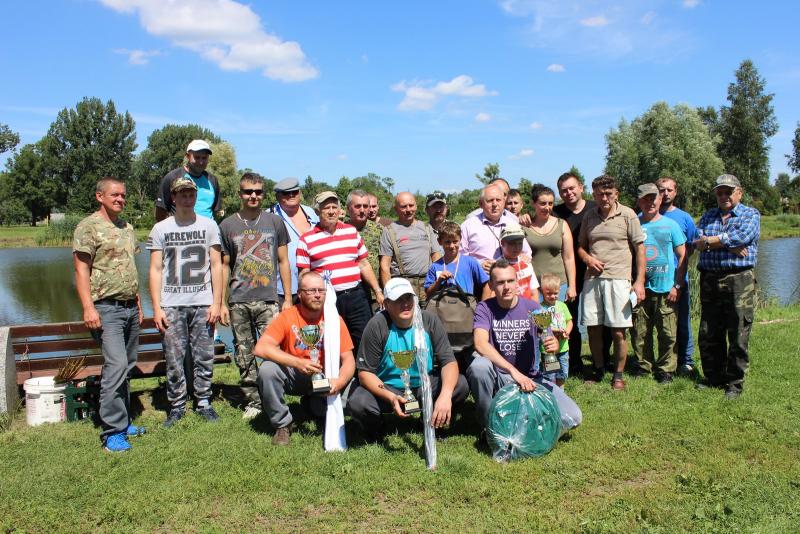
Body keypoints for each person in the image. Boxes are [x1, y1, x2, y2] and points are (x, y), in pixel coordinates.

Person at [465, 260, 582, 433]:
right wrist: (513, 372)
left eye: (510, 281)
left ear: (517, 282)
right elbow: (480, 343)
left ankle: (524, 420)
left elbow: (547, 339)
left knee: (574, 417)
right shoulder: (485, 308)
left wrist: (553, 344)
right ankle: (488, 425)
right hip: (501, 378)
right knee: (479, 366)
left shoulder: (533, 308)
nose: (506, 286)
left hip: (531, 379)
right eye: (500, 282)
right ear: (491, 285)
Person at [348, 278, 469, 442]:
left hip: (423, 386)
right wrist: (391, 397)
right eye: (398, 300)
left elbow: (449, 362)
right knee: (358, 401)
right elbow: (365, 373)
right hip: (388, 388)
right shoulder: (377, 325)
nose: (405, 304)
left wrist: (445, 395)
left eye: (408, 298)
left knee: (459, 385)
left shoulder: (429, 320)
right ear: (387, 303)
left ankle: (430, 421)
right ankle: (376, 428)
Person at [73, 177, 143, 452]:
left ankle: (124, 422)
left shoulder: (127, 227)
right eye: (115, 195)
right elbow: (81, 270)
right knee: (115, 366)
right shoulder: (88, 227)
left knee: (126, 366)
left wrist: (137, 301)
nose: (120, 199)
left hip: (129, 307)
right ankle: (112, 432)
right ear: (99, 196)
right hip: (105, 308)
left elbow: (128, 266)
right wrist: (88, 307)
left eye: (123, 195)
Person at [148, 177, 224, 426]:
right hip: (172, 303)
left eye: (191, 194)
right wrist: (157, 307)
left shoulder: (209, 225)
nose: (187, 199)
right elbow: (156, 269)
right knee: (173, 356)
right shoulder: (161, 229)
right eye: (182, 194)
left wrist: (216, 302)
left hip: (202, 301)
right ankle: (177, 404)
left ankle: (203, 401)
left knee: (204, 355)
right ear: (173, 198)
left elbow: (216, 265)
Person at [219, 172, 292, 420]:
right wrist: (221, 302)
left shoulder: (274, 222)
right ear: (240, 194)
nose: (253, 196)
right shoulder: (228, 225)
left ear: (263, 194)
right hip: (239, 299)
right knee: (244, 352)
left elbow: (283, 261)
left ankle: (275, 396)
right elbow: (224, 265)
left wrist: (289, 298)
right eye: (248, 191)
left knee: (274, 350)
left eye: (258, 192)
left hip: (269, 298)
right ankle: (254, 400)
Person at [252, 271, 355, 445]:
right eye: (311, 291)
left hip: (326, 376)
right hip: (296, 374)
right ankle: (283, 424)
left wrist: (340, 381)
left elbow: (349, 360)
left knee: (355, 399)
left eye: (321, 291)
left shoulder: (334, 319)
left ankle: (312, 405)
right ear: (299, 293)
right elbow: (261, 348)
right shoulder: (287, 316)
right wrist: (297, 362)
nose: (317, 295)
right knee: (267, 370)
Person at [693, 174, 760, 400]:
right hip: (709, 279)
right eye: (720, 192)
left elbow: (742, 235)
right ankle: (713, 378)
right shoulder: (709, 215)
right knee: (709, 330)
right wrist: (726, 243)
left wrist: (711, 242)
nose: (724, 196)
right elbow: (697, 239)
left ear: (739, 192)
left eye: (728, 192)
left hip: (739, 279)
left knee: (738, 330)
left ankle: (734, 383)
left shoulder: (750, 214)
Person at [577, 175, 645, 390]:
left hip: (619, 279)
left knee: (618, 331)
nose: (604, 198)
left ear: (616, 194)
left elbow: (640, 249)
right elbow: (580, 246)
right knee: (594, 328)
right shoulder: (589, 216)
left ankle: (618, 375)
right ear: (593, 194)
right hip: (593, 280)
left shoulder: (628, 215)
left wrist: (639, 281)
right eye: (599, 194)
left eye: (608, 194)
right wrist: (588, 258)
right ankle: (598, 370)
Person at [297, 191, 384, 353]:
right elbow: (304, 274)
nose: (331, 211)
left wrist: (378, 291)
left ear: (339, 210)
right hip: (327, 300)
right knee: (332, 343)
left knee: (363, 340)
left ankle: (362, 377)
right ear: (317, 211)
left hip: (357, 297)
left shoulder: (351, 232)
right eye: (326, 208)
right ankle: (337, 377)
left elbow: (364, 264)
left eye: (334, 207)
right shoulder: (306, 239)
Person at [629, 184, 687, 384]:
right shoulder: (633, 223)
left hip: (666, 288)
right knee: (640, 332)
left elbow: (682, 256)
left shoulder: (671, 225)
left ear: (660, 199)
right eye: (645, 198)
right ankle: (643, 367)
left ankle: (665, 370)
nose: (650, 202)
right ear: (639, 201)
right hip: (640, 288)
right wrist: (632, 283)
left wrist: (677, 285)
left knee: (668, 333)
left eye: (654, 198)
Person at [656, 176, 699, 377]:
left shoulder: (684, 218)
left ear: (675, 192)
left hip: (677, 279)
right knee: (659, 325)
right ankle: (663, 360)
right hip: (653, 280)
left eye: (669, 190)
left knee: (682, 321)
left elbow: (692, 245)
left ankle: (686, 360)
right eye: (661, 190)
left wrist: (679, 279)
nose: (665, 194)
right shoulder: (644, 215)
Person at [379, 192, 442, 304]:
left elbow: (436, 257)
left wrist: (438, 283)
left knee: (428, 319)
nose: (408, 210)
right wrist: (388, 294)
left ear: (416, 206)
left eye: (411, 205)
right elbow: (385, 266)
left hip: (427, 284)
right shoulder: (389, 231)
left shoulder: (427, 228)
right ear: (396, 209)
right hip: (402, 286)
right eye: (404, 206)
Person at [524, 184, 577, 302]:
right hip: (534, 286)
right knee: (537, 320)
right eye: (543, 203)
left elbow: (569, 258)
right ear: (534, 203)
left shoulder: (561, 224)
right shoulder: (525, 226)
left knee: (558, 320)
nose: (547, 207)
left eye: (550, 203)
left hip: (558, 286)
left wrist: (572, 286)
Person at [460, 184, 531, 272]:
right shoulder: (468, 226)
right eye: (490, 200)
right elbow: (460, 259)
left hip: (510, 281)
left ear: (504, 202)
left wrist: (522, 257)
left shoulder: (513, 223)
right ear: (481, 204)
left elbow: (527, 253)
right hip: (480, 281)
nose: (495, 204)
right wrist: (479, 265)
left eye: (498, 200)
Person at [270, 177, 319, 306]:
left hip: (313, 287)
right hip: (281, 290)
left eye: (295, 192)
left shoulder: (311, 213)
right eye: (286, 193)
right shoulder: (269, 216)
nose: (291, 195)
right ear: (277, 196)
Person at [155, 139, 222, 222]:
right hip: (180, 232)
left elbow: (215, 211)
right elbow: (161, 210)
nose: (201, 162)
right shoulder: (172, 177)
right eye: (197, 157)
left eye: (204, 158)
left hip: (207, 233)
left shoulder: (212, 180)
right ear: (187, 156)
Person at [424, 221, 490, 301]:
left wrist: (481, 308)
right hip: (442, 309)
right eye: (447, 242)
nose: (452, 246)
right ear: (440, 242)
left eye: (455, 241)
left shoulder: (470, 262)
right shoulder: (435, 266)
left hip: (466, 308)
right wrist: (438, 281)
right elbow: (428, 294)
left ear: (460, 239)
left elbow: (486, 284)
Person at [539, 273, 573, 386]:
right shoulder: (540, 308)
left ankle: (560, 391)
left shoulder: (562, 306)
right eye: (548, 293)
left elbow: (569, 321)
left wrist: (567, 331)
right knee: (550, 374)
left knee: (563, 373)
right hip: (548, 349)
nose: (553, 296)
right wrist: (556, 331)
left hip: (563, 348)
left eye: (555, 293)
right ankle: (551, 391)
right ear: (542, 292)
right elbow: (543, 327)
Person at [345, 189, 383, 277]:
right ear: (348, 208)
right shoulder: (340, 230)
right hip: (350, 287)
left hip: (373, 287)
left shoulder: (379, 229)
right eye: (358, 206)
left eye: (365, 206)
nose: (362, 210)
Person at [497, 224, 540, 301]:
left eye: (520, 243)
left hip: (528, 309)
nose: (516, 247)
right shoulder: (497, 266)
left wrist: (536, 311)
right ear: (502, 243)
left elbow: (534, 292)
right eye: (512, 243)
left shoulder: (526, 263)